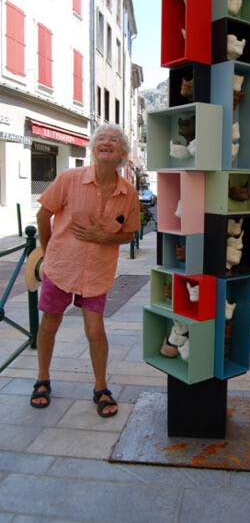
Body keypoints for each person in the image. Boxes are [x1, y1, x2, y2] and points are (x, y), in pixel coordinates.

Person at [30, 124, 141, 417]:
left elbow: (129, 234)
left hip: (97, 272)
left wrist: (105, 237)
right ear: (93, 148)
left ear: (123, 154)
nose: (106, 142)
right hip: (61, 268)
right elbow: (44, 214)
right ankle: (42, 379)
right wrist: (48, 250)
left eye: (114, 140)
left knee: (95, 330)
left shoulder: (128, 193)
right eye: (101, 138)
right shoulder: (69, 179)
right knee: (49, 324)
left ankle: (100, 387)